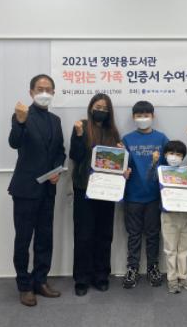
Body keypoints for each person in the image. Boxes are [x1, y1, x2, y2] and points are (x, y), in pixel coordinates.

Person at [8, 74, 65, 307]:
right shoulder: (22, 115)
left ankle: (40, 280)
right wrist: (20, 122)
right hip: (25, 189)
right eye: (40, 89)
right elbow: (14, 142)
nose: (44, 93)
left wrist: (57, 171)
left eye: (49, 89)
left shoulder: (55, 120)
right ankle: (24, 286)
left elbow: (60, 151)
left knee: (45, 238)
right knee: (23, 239)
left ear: (53, 93)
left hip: (47, 189)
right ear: (31, 92)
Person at [69, 93, 121, 296]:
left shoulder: (113, 132)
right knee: (83, 235)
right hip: (84, 188)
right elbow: (75, 156)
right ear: (91, 108)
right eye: (98, 107)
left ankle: (101, 276)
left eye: (105, 109)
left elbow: (117, 162)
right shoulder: (81, 126)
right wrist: (79, 135)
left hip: (107, 190)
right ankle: (81, 279)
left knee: (104, 235)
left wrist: (122, 155)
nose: (101, 111)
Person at [121, 101, 169, 289]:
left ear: (152, 116)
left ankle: (153, 267)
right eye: (139, 115)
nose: (143, 118)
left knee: (153, 234)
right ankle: (132, 268)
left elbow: (169, 165)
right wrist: (122, 171)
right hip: (132, 196)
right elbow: (122, 166)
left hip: (154, 196)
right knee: (133, 235)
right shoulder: (126, 140)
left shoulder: (162, 139)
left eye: (146, 115)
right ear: (133, 117)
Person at [157, 140, 187, 294]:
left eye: (178, 154)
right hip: (168, 215)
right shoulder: (160, 171)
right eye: (171, 153)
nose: (174, 157)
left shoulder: (186, 173)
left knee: (185, 248)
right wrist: (154, 164)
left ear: (183, 157)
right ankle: (172, 279)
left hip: (184, 214)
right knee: (170, 249)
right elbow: (151, 182)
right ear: (165, 155)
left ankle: (183, 276)